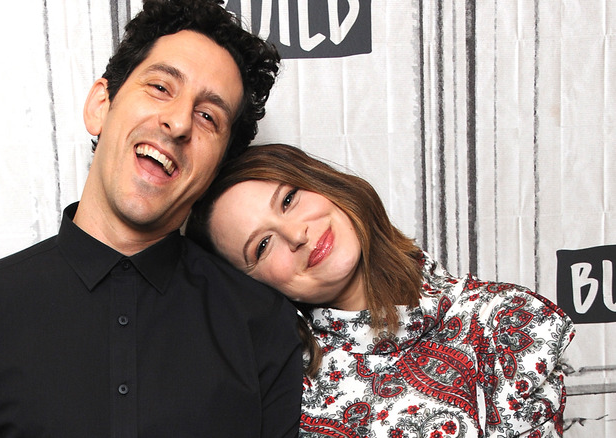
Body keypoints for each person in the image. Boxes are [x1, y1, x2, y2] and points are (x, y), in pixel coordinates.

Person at [0, 2, 303, 437]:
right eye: (160, 87)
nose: (176, 123)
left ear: (216, 169)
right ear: (101, 105)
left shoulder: (264, 326)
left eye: (208, 116)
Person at [186, 143, 576, 437]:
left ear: (322, 182)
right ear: (250, 284)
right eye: (263, 246)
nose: (296, 234)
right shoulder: (283, 393)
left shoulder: (504, 320)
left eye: (289, 199)